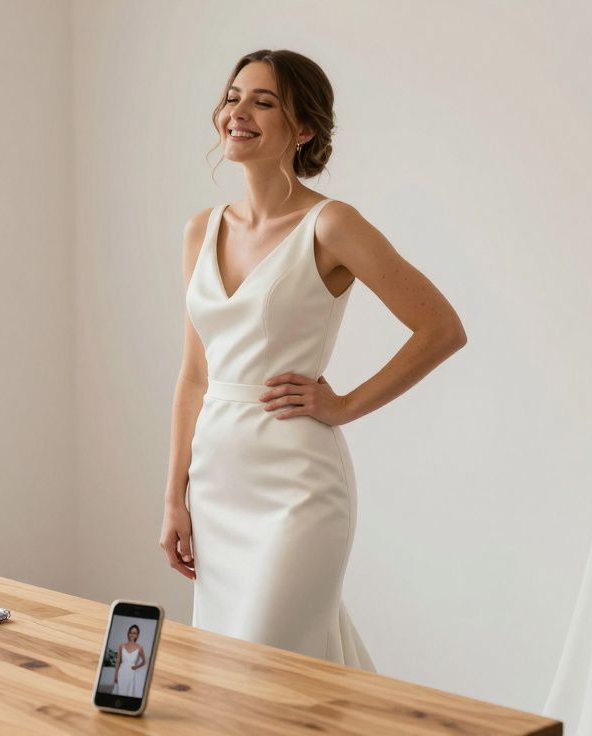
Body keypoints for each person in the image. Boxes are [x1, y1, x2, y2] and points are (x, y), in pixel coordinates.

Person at [159, 49, 466, 668]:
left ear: (303, 130)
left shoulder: (331, 225)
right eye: (233, 96)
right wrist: (174, 497)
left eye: (263, 101)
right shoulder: (201, 229)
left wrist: (344, 404)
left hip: (297, 488)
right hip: (217, 481)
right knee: (234, 671)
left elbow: (441, 328)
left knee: (274, 665)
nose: (237, 112)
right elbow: (195, 376)